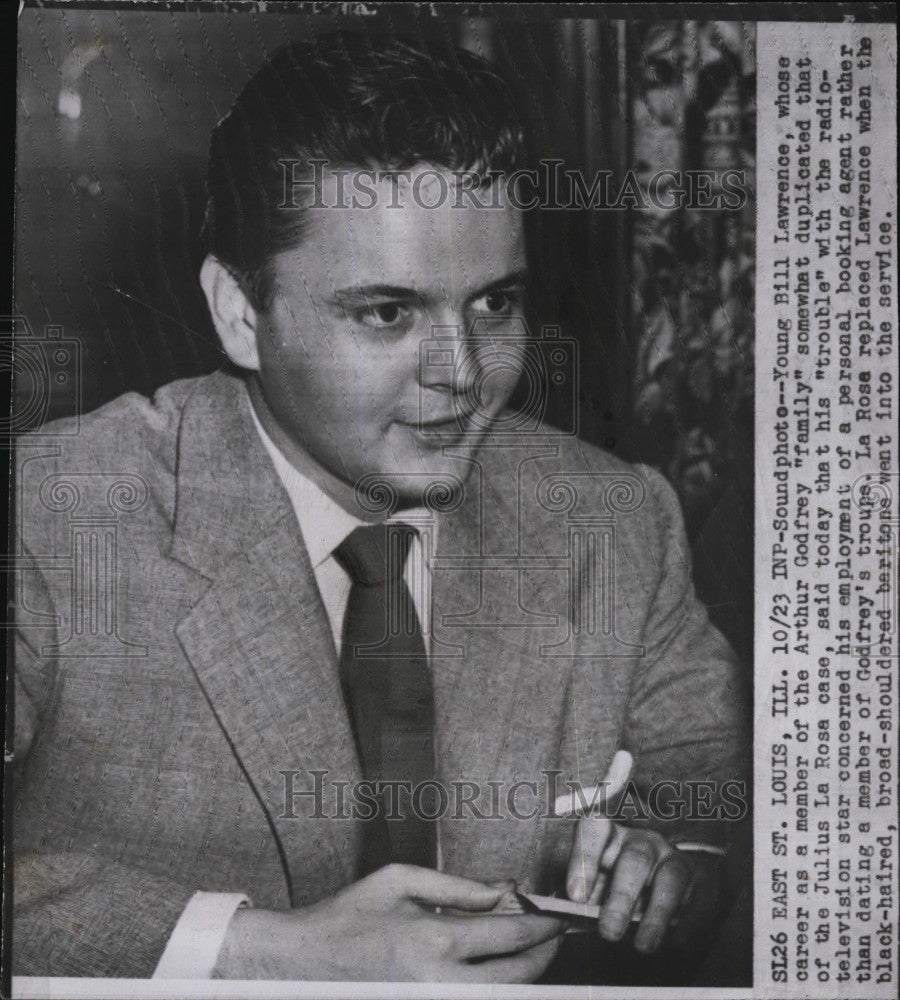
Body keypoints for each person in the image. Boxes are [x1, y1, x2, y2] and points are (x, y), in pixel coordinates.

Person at [13, 29, 748, 982]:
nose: (463, 376)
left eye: (493, 305)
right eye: (387, 313)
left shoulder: (609, 519)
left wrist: (683, 863)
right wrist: (264, 948)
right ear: (241, 313)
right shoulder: (53, 516)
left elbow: (721, 789)